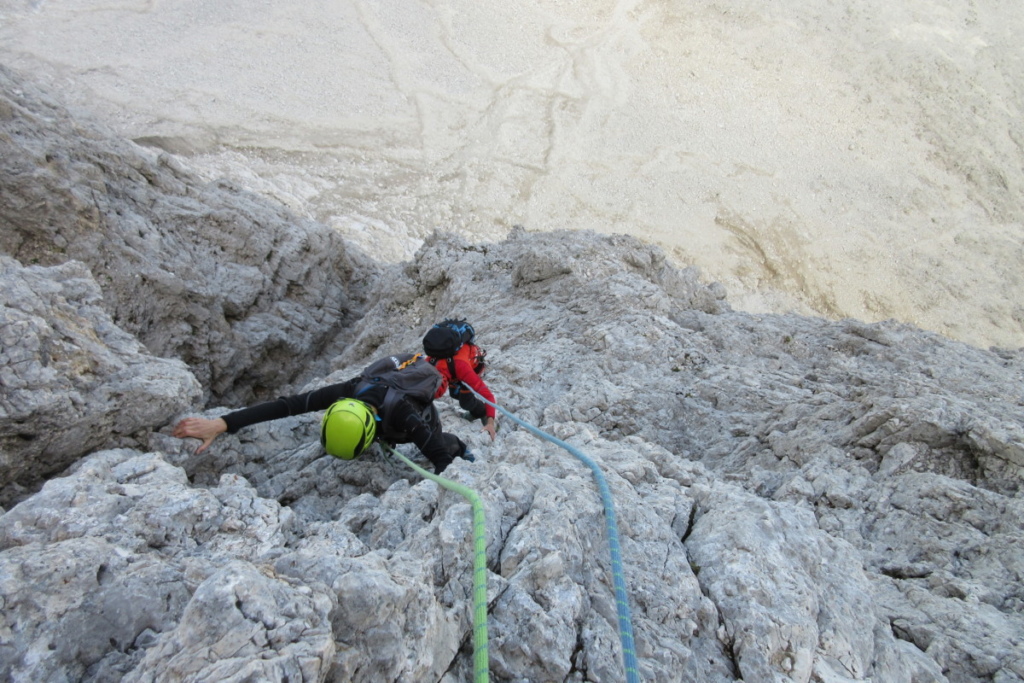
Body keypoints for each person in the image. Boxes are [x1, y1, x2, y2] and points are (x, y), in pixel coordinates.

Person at [172, 352, 471, 474]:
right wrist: (221, 424)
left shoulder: (406, 415)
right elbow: (288, 406)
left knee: (445, 442)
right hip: (382, 415)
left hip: (418, 424)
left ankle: (465, 447)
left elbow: (439, 457)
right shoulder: (349, 390)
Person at [422, 319, 499, 441]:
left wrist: (490, 422)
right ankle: (476, 409)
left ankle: (482, 413)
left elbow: (487, 395)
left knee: (465, 402)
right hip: (455, 366)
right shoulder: (429, 362)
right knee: (454, 394)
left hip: (471, 365)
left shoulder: (461, 368)